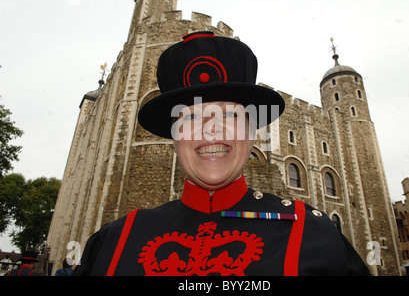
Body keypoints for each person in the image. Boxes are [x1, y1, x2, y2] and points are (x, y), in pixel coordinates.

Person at [72, 31, 370, 276]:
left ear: (251, 133)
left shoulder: (313, 236)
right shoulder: (114, 245)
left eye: (228, 116)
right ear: (174, 135)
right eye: (190, 118)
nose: (211, 131)